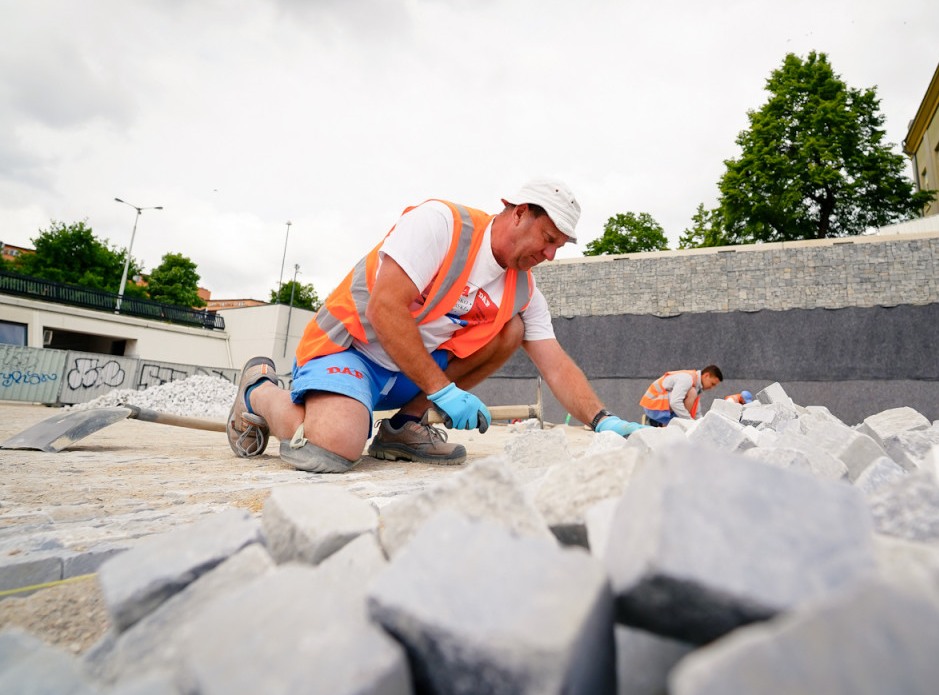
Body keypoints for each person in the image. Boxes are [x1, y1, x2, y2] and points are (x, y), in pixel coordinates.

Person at [225, 177, 646, 473]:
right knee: (330, 449)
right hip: (349, 349)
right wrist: (444, 391)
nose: (551, 254)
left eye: (559, 246)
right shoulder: (441, 225)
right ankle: (258, 390)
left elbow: (556, 364)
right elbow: (384, 308)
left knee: (512, 330)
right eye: (549, 239)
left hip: (410, 374)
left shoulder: (524, 292)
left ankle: (403, 428)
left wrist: (602, 419)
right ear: (520, 214)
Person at [640, 366, 723, 427]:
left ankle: (660, 425)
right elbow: (674, 402)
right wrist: (688, 423)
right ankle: (653, 421)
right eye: (712, 384)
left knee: (689, 401)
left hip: (658, 406)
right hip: (652, 403)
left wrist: (703, 426)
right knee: (691, 393)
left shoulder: (696, 386)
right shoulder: (687, 379)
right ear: (706, 375)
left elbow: (697, 414)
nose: (712, 388)